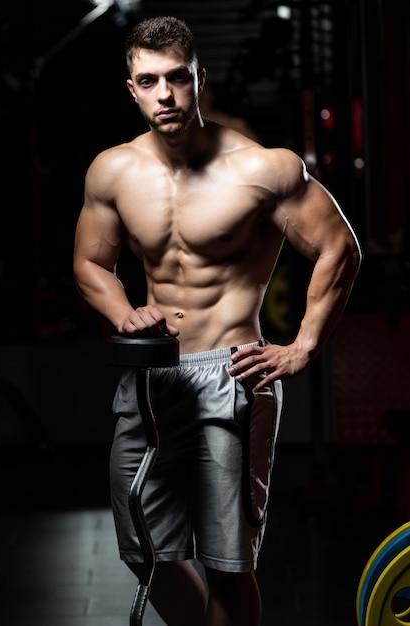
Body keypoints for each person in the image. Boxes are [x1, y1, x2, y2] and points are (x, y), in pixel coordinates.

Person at [73, 15, 361, 626]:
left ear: (198, 77)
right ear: (131, 89)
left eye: (177, 77)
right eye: (148, 81)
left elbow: (340, 247)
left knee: (229, 562)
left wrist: (304, 344)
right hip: (154, 376)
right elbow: (90, 264)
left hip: (231, 374)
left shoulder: (261, 168)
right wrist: (126, 312)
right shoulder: (113, 171)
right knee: (141, 545)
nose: (166, 94)